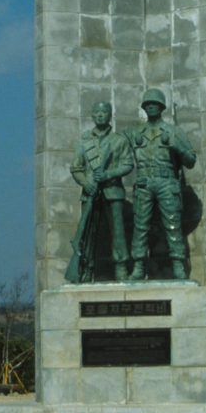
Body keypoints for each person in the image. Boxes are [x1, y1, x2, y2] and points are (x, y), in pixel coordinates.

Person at [126, 88, 196, 281]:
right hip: (144, 182)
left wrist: (177, 145)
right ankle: (139, 266)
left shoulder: (174, 131)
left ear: (162, 107)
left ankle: (178, 266)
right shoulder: (135, 133)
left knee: (173, 226)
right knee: (140, 226)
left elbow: (190, 161)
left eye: (154, 104)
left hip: (167, 182)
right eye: (147, 104)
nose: (151, 106)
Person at [66, 100, 134, 283]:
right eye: (97, 112)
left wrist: (108, 174)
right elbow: (76, 168)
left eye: (104, 112)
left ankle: (121, 267)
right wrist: (86, 183)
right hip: (90, 193)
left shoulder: (119, 141)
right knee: (87, 233)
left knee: (118, 233)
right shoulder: (84, 141)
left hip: (113, 192)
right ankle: (86, 269)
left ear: (110, 115)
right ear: (92, 115)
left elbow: (128, 164)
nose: (100, 115)